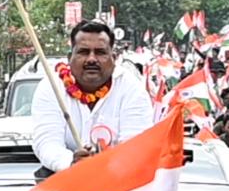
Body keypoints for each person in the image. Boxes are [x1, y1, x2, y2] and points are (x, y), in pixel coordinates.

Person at [32, 20, 153, 172]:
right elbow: (47, 143)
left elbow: (135, 147)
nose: (91, 59)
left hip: (120, 181)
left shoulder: (132, 89)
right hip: (63, 180)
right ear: (70, 58)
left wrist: (101, 165)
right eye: (83, 52)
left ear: (114, 58)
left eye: (100, 52)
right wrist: (71, 163)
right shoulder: (51, 87)